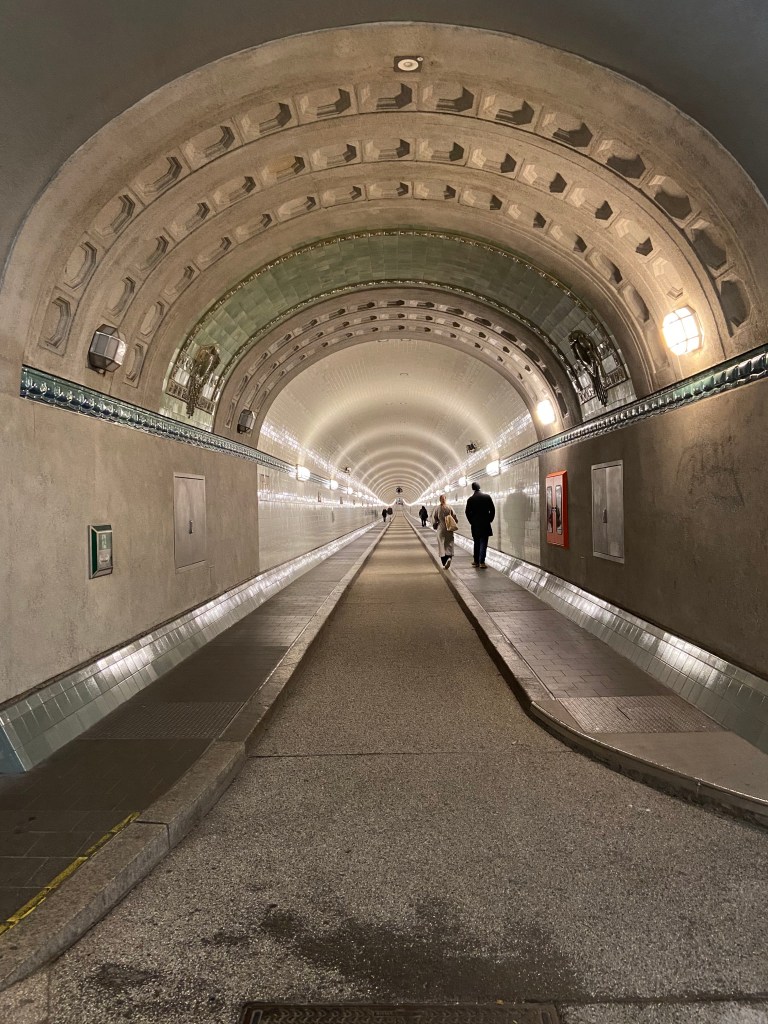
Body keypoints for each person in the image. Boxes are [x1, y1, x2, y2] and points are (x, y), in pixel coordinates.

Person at [465, 481, 495, 568]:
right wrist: (490, 520)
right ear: (479, 487)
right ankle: (482, 562)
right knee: (483, 543)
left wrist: (471, 521)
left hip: (475, 525)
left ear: (473, 488)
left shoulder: (470, 499)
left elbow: (467, 512)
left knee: (476, 543)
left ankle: (476, 561)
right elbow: (492, 510)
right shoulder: (487, 497)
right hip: (485, 524)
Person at [431, 494, 459, 569]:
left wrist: (435, 525)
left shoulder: (437, 508)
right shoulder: (450, 507)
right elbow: (455, 517)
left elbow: (434, 519)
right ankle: (449, 558)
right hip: (449, 528)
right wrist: (455, 522)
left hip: (441, 529)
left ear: (440, 500)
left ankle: (444, 562)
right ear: (445, 499)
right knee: (449, 544)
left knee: (442, 545)